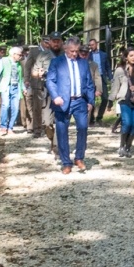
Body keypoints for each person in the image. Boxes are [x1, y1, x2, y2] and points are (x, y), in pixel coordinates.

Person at [46, 35, 97, 173]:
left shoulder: (83, 63)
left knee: (83, 128)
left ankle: (79, 157)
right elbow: (50, 81)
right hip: (62, 102)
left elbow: (89, 83)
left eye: (77, 51)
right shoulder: (56, 62)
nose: (75, 54)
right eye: (72, 51)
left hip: (80, 101)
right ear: (65, 48)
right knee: (62, 132)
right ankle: (66, 162)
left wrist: (91, 101)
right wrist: (55, 96)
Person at [0, 45, 24, 135]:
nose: (21, 56)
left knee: (15, 108)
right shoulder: (4, 61)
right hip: (6, 87)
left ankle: (10, 127)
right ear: (13, 54)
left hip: (16, 88)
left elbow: (21, 78)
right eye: (19, 55)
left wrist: (23, 88)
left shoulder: (19, 64)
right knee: (5, 106)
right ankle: (3, 127)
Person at [88, 38, 111, 123]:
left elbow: (108, 67)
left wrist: (110, 77)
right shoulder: (88, 55)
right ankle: (91, 118)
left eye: (93, 44)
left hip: (102, 77)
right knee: (91, 99)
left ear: (96, 44)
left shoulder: (103, 54)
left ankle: (99, 116)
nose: (91, 46)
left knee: (105, 98)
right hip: (92, 78)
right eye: (90, 45)